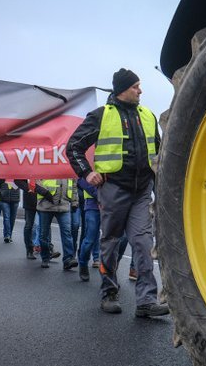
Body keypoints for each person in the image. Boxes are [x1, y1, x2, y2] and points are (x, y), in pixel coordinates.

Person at [66, 68, 168, 317]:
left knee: (143, 243)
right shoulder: (101, 115)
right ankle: (109, 293)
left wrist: (159, 188)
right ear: (122, 89)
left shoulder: (148, 116)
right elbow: (74, 147)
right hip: (114, 189)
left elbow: (158, 154)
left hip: (142, 191)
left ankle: (146, 301)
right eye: (135, 86)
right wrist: (87, 173)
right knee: (111, 242)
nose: (140, 91)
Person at [35, 178, 78, 270]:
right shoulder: (43, 168)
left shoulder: (69, 169)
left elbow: (73, 185)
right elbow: (36, 183)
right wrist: (45, 193)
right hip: (46, 205)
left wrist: (74, 201)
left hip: (63, 205)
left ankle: (68, 260)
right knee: (44, 234)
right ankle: (45, 258)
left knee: (67, 232)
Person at [77, 177, 101, 282]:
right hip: (92, 205)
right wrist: (100, 196)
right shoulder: (88, 166)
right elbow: (82, 180)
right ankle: (83, 264)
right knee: (89, 239)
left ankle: (109, 272)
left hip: (111, 204)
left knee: (112, 240)